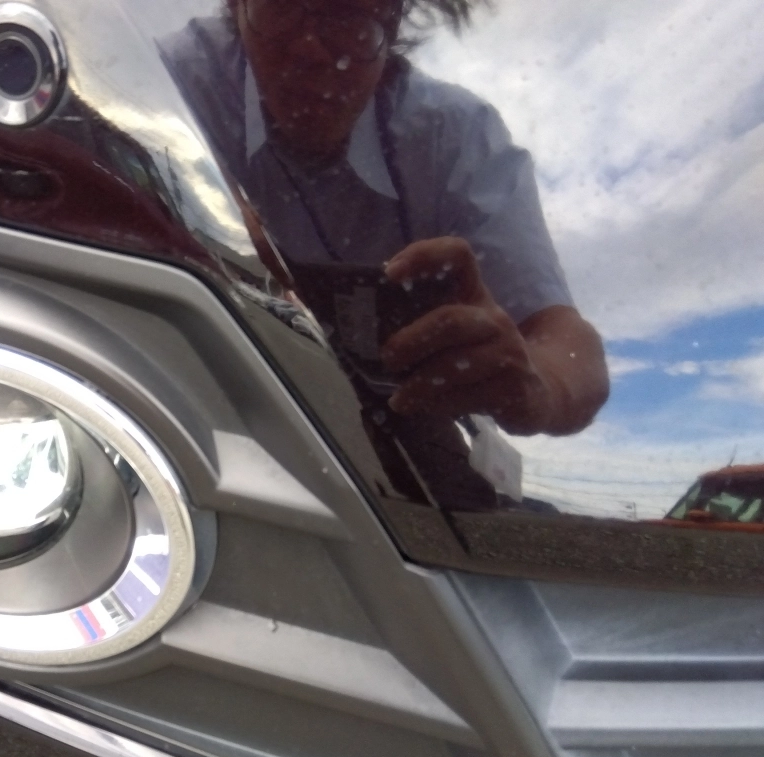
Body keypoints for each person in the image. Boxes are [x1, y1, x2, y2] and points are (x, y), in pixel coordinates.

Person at [161, 0, 609, 457]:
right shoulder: (171, 76)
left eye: (349, 17)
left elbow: (570, 346)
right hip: (201, 389)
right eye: (282, 7)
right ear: (236, 9)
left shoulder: (453, 136)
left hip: (395, 429)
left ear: (393, 25)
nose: (310, 50)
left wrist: (539, 389)